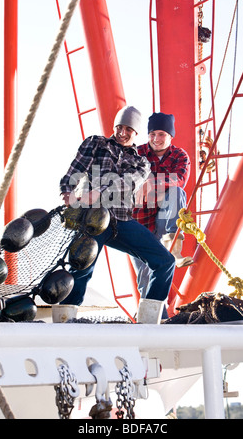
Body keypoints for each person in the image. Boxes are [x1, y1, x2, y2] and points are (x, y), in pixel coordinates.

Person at [57, 106, 176, 324]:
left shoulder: (142, 164)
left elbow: (125, 184)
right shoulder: (96, 143)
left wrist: (98, 192)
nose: (122, 132)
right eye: (119, 127)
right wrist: (67, 190)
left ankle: (149, 319)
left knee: (165, 261)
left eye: (128, 129)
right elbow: (76, 169)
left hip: (121, 222)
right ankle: (65, 321)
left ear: (136, 133)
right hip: (91, 219)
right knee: (81, 267)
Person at [132, 112, 194, 300]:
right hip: (139, 221)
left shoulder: (179, 155)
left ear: (170, 136)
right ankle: (155, 315)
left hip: (164, 218)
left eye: (161, 134)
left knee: (177, 193)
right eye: (152, 134)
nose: (156, 139)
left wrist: (152, 182)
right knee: (144, 273)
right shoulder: (137, 153)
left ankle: (174, 247)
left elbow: (179, 180)